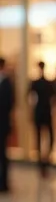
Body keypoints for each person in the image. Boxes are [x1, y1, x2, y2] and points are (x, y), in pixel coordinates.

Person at [28, 61, 56, 174]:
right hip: (45, 110)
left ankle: (43, 159)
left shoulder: (37, 83)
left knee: (41, 136)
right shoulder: (48, 83)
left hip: (41, 111)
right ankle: (44, 159)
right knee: (46, 136)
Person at [0, 59, 14, 193]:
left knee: (3, 153)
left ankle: (3, 182)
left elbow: (10, 103)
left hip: (3, 123)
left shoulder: (7, 82)